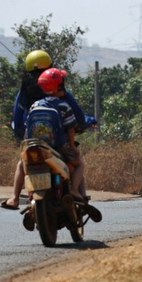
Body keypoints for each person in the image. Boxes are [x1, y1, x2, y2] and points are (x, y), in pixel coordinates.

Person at [3, 51, 86, 210]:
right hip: (58, 145)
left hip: (32, 143)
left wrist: (21, 136)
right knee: (77, 162)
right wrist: (73, 140)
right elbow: (75, 121)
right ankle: (77, 194)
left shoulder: (27, 97)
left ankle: (14, 198)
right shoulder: (63, 98)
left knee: (22, 163)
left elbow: (18, 119)